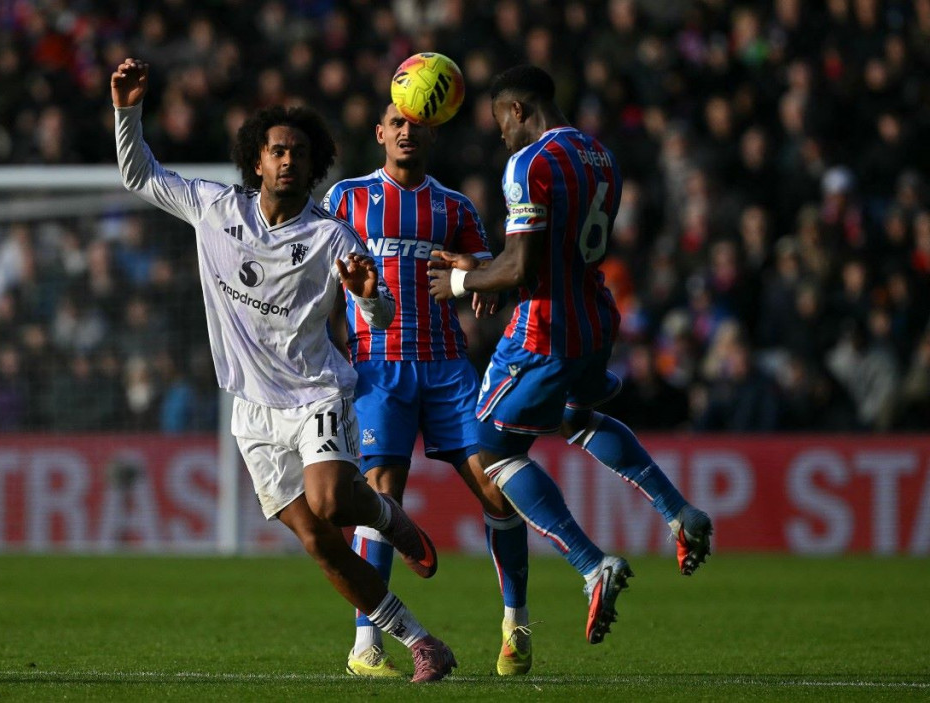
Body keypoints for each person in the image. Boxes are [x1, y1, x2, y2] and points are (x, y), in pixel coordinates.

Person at [111, 58, 456, 683]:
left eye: (299, 151)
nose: (288, 160)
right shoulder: (213, 209)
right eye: (277, 151)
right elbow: (140, 175)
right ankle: (420, 639)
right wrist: (127, 111)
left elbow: (377, 320)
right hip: (251, 408)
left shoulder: (333, 236)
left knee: (330, 502)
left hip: (317, 393)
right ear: (257, 161)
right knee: (320, 542)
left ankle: (387, 518)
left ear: (313, 163)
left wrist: (369, 294)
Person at [429, 65, 713, 645]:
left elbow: (523, 267)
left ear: (517, 110)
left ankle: (592, 565)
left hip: (544, 331)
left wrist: (460, 286)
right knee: (574, 418)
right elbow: (548, 251)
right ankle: (681, 512)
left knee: (491, 454)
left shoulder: (529, 162)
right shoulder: (600, 156)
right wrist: (485, 270)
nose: (500, 137)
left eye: (499, 124)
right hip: (594, 320)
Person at [323, 103, 532, 677]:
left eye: (416, 124)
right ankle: (367, 646)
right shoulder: (346, 199)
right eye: (396, 123)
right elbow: (312, 269)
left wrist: (481, 279)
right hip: (376, 368)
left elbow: (488, 273)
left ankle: (517, 625)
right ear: (380, 133)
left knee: (496, 488)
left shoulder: (455, 206)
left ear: (430, 132)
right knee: (380, 495)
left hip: (446, 369)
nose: (406, 131)